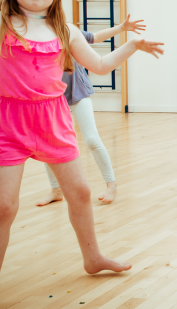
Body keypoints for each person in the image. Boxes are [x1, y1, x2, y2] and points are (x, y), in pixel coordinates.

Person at [0, 0, 163, 309]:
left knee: (79, 192)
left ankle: (93, 258)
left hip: (52, 118)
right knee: (3, 206)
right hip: (9, 120)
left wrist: (132, 45)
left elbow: (99, 65)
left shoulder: (67, 30)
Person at [37, 15, 146, 206]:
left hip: (77, 92)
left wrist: (122, 27)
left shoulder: (68, 30)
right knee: (47, 143)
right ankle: (55, 190)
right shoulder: (34, 36)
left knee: (92, 139)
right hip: (51, 96)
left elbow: (95, 37)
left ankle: (111, 185)